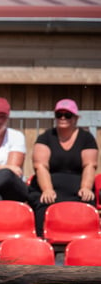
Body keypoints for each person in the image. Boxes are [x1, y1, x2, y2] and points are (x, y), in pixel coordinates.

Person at [27, 98, 99, 236]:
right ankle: (44, 240)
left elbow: (90, 165)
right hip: (48, 186)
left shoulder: (86, 138)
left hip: (77, 188)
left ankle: (84, 240)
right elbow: (40, 166)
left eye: (68, 115)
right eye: (59, 114)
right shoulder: (45, 137)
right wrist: (47, 189)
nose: (63, 118)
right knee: (44, 201)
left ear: (76, 118)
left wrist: (85, 187)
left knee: (87, 200)